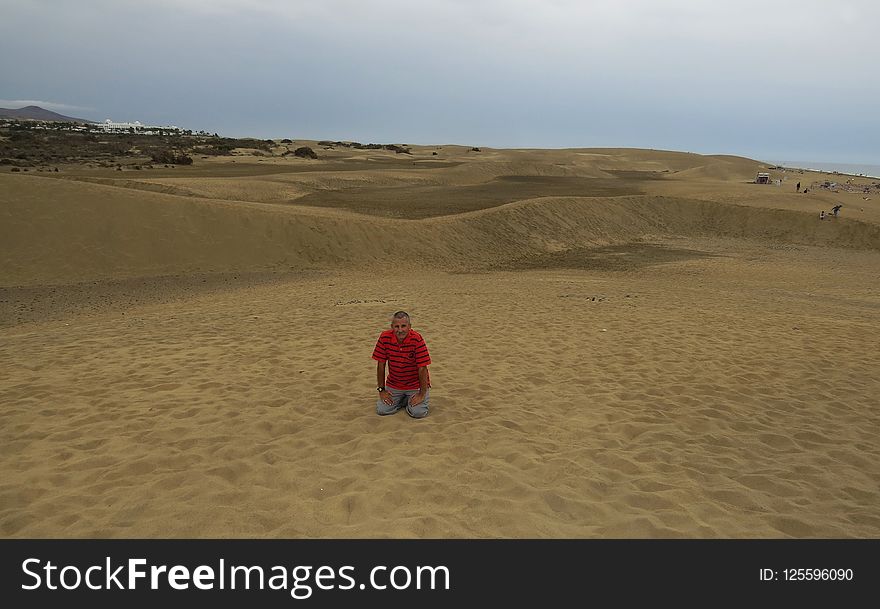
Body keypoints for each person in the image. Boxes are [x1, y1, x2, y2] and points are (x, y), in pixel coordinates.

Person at [372, 311, 432, 418]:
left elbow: (422, 368)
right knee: (382, 410)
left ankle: (408, 400)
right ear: (392, 327)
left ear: (409, 326)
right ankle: (403, 400)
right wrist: (382, 390)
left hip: (415, 385)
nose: (400, 330)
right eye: (396, 326)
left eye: (403, 326)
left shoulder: (417, 339)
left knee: (418, 413)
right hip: (394, 384)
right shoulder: (384, 337)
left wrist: (422, 394)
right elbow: (381, 364)